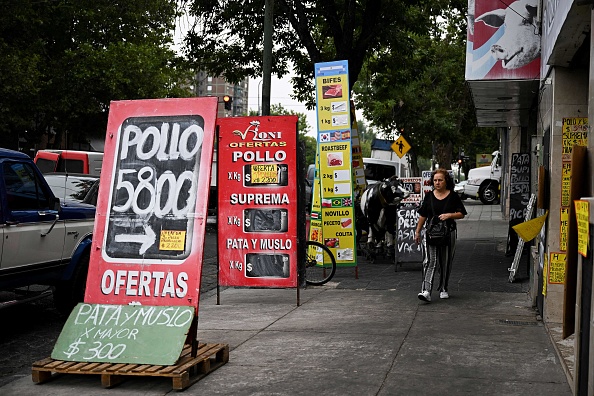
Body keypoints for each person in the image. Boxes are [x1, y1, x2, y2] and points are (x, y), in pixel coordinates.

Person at [414, 169, 467, 302]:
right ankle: (426, 291)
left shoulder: (453, 196)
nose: (437, 183)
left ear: (446, 181)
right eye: (435, 180)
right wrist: (417, 231)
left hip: (448, 233)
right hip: (431, 234)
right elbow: (423, 215)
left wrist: (450, 215)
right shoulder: (429, 196)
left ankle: (444, 288)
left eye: (440, 180)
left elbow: (461, 214)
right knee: (430, 261)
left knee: (445, 261)